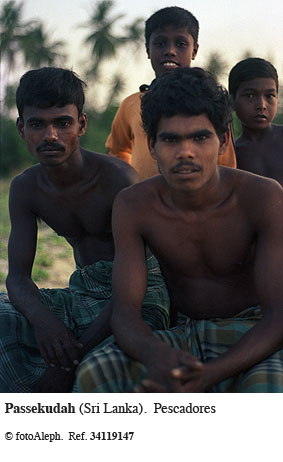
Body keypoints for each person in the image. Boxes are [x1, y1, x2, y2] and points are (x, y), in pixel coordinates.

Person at [77, 67, 283, 393]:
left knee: (269, 388)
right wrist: (159, 357)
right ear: (153, 145)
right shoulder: (133, 205)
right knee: (96, 371)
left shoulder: (264, 197)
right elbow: (126, 315)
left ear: (223, 140)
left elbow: (277, 318)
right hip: (183, 332)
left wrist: (209, 375)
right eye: (171, 139)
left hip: (254, 332)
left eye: (200, 137)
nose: (185, 152)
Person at [0, 67, 170, 393]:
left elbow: (137, 280)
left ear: (81, 124)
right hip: (83, 291)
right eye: (38, 124)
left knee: (98, 369)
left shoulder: (119, 180)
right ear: (21, 128)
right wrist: (43, 321)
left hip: (140, 297)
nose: (50, 135)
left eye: (62, 123)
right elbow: (18, 277)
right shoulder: (25, 188)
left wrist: (70, 357)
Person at [105, 6, 236, 181]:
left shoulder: (212, 102)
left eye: (181, 44)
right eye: (160, 43)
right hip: (147, 203)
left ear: (194, 50)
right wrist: (131, 182)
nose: (170, 51)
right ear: (147, 50)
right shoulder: (131, 104)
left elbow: (226, 165)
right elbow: (117, 150)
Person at [229, 57, 283, 185]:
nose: (262, 105)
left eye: (269, 96)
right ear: (232, 101)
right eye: (250, 95)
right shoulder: (233, 154)